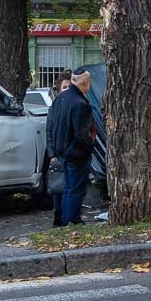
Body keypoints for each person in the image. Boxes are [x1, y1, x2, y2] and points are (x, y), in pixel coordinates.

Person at [49, 68, 96, 226]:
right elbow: (83, 133)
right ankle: (72, 220)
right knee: (76, 188)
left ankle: (66, 219)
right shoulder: (80, 103)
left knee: (68, 188)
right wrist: (89, 148)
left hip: (63, 151)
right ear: (85, 82)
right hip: (76, 153)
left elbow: (53, 125)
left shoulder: (61, 98)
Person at [45, 73, 74, 226]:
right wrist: (52, 155)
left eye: (69, 87)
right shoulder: (55, 107)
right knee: (58, 188)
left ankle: (68, 217)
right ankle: (59, 216)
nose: (67, 89)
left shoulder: (76, 104)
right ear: (59, 89)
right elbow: (49, 131)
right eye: (64, 87)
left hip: (72, 153)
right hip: (59, 154)